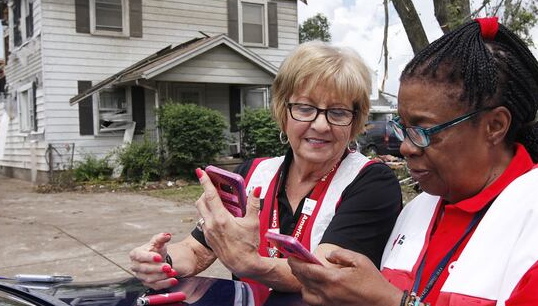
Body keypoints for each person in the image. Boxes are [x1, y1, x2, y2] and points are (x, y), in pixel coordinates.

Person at [288, 18, 538, 306]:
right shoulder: (418, 209)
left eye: (424, 131)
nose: (406, 148)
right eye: (403, 128)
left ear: (495, 126)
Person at [129, 42, 403, 293]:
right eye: (306, 108)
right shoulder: (250, 175)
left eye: (338, 112)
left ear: (355, 122)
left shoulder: (372, 182)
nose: (321, 125)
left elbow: (330, 274)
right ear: (283, 112)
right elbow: (196, 250)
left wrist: (251, 264)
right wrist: (160, 261)